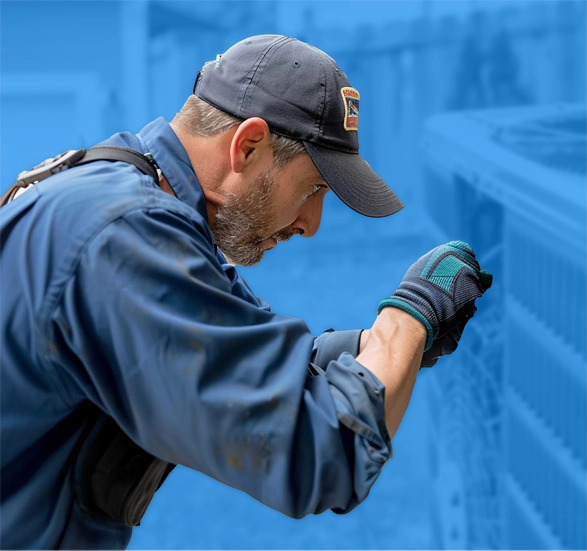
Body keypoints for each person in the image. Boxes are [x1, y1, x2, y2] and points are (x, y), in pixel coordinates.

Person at [0, 35, 491, 549]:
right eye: (313, 189)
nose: (312, 225)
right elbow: (320, 449)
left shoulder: (131, 196)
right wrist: (409, 316)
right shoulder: (125, 236)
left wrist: (383, 347)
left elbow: (255, 365)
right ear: (248, 145)